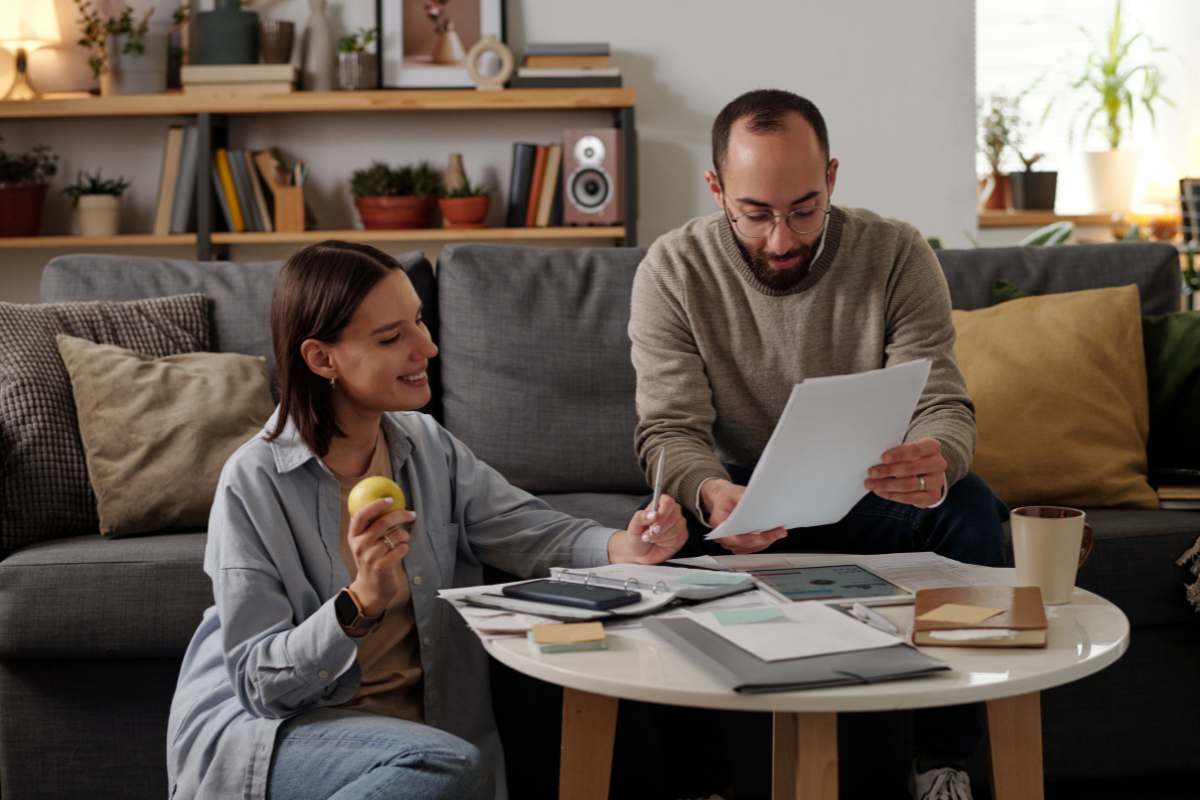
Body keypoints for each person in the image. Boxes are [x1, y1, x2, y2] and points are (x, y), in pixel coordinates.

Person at [166, 240, 687, 800]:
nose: (428, 347)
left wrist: (623, 546)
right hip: (284, 734)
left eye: (417, 321)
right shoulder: (254, 481)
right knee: (441, 766)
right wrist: (360, 600)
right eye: (392, 338)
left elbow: (527, 527)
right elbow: (258, 687)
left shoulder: (426, 445)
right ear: (322, 359)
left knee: (446, 765)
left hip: (425, 743)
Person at [629, 89, 1007, 799]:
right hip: (739, 497)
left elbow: (942, 400)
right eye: (755, 214)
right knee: (661, 542)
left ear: (832, 177)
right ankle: (701, 784)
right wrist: (711, 494)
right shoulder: (672, 269)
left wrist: (937, 457)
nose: (782, 239)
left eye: (804, 208)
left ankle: (941, 766)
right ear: (716, 189)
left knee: (971, 508)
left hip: (864, 486)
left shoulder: (896, 252)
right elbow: (668, 432)